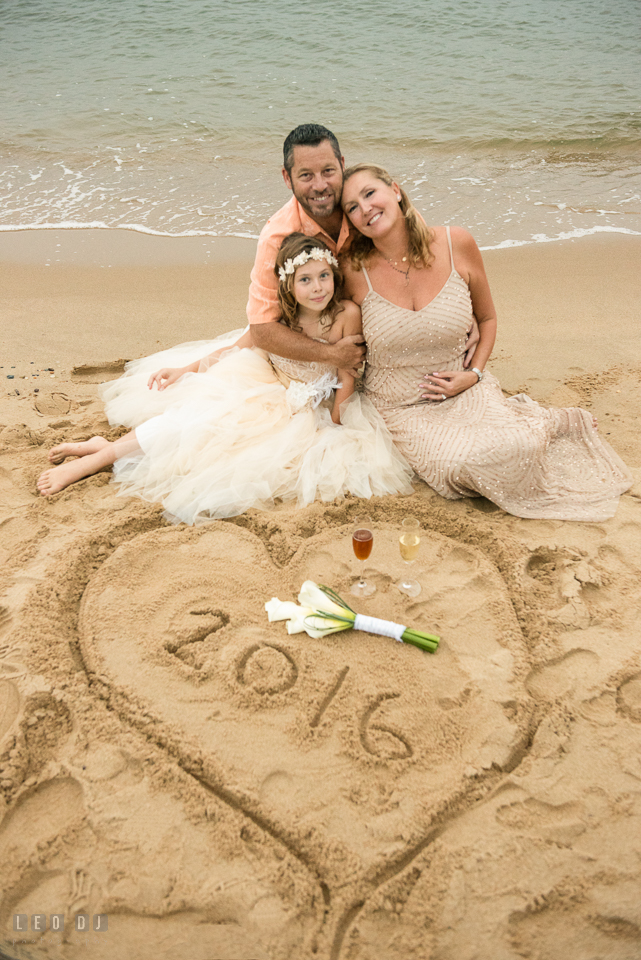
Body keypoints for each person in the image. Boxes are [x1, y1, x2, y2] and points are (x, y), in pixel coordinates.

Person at [37, 234, 413, 522]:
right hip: (261, 389)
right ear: (288, 285)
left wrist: (334, 425)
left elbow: (346, 375)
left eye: (324, 276)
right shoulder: (279, 321)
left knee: (201, 456)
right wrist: (185, 370)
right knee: (191, 422)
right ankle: (91, 461)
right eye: (305, 280)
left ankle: (106, 448)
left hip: (307, 412)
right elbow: (235, 349)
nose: (317, 287)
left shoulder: (345, 314)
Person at [340, 162, 632, 521]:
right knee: (458, 465)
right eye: (352, 206)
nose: (365, 208)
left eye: (370, 194)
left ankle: (547, 422)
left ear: (395, 191)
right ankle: (535, 421)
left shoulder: (455, 242)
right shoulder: (351, 271)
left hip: (465, 388)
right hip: (399, 408)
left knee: (518, 446)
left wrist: (474, 374)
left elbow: (488, 318)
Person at [247, 123, 479, 374]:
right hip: (313, 337)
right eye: (306, 175)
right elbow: (261, 329)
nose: (320, 185)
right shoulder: (277, 236)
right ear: (287, 178)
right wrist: (332, 355)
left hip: (375, 332)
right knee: (233, 357)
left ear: (342, 164)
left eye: (328, 171)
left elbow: (424, 265)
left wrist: (462, 314)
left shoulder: (373, 209)